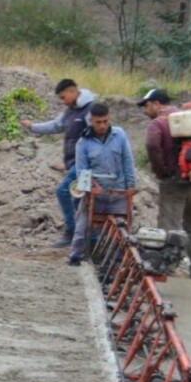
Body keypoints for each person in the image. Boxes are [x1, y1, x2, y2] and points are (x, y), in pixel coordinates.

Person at [139, 88, 191, 278]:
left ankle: (167, 271)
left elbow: (152, 145)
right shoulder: (190, 117)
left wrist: (160, 170)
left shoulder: (158, 123)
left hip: (173, 182)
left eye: (146, 106)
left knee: (169, 228)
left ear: (156, 104)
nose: (145, 110)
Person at [21, 79, 95, 247]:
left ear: (72, 91)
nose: (62, 102)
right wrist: (32, 127)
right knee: (79, 200)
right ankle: (85, 237)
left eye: (63, 97)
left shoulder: (89, 110)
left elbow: (96, 136)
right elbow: (55, 126)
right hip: (73, 163)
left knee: (63, 191)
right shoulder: (70, 112)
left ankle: (72, 231)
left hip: (84, 165)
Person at [68, 103, 137, 266]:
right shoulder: (83, 143)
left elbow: (127, 161)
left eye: (105, 121)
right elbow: (82, 171)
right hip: (95, 194)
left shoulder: (119, 136)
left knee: (123, 228)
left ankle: (120, 262)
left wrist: (130, 185)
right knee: (83, 224)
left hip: (118, 192)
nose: (102, 126)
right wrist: (90, 186)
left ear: (109, 118)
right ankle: (75, 256)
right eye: (98, 122)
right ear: (91, 121)